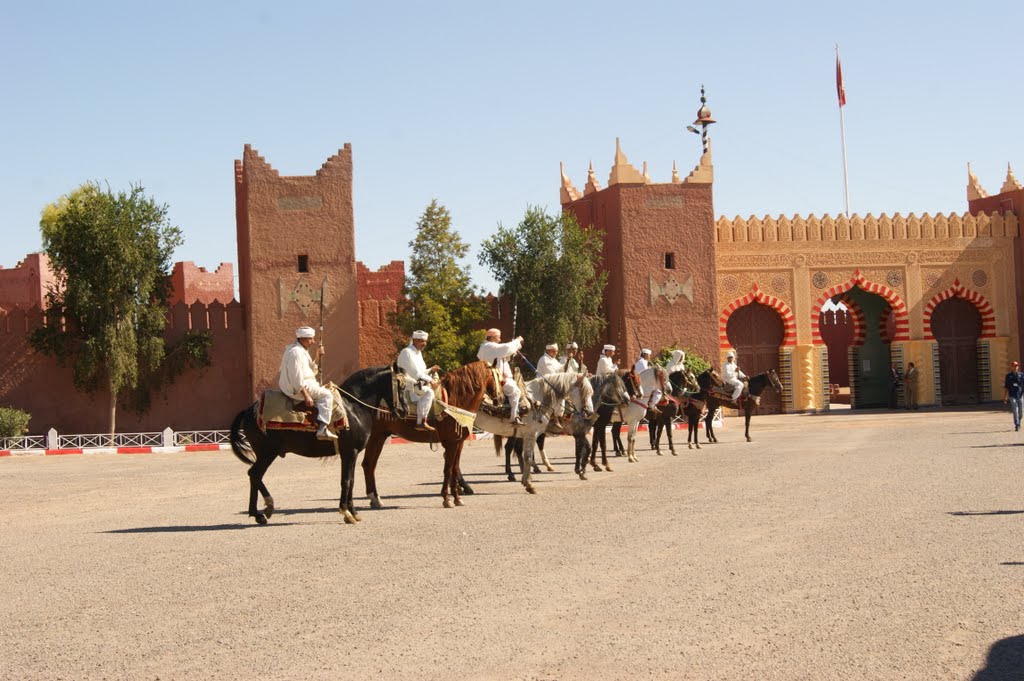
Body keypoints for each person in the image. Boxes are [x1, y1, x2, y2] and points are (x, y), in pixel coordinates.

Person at [279, 326, 337, 440]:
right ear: (302, 338)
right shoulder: (296, 353)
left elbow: (309, 371)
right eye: (310, 339)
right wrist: (306, 395)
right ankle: (323, 429)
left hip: (304, 382)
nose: (313, 341)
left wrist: (317, 356)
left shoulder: (302, 350)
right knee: (327, 395)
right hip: (296, 387)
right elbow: (296, 377)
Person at [478, 328, 525, 426]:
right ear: (492, 338)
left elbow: (502, 354)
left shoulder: (484, 347)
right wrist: (517, 340)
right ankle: (514, 417)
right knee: (516, 392)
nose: (500, 338)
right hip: (497, 378)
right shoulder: (490, 346)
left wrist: (512, 353)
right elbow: (507, 348)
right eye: (498, 337)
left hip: (489, 377)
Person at [397, 330, 441, 432]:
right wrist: (431, 380)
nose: (424, 344)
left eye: (425, 341)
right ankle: (421, 422)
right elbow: (415, 373)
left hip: (416, 382)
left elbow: (421, 372)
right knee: (429, 392)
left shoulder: (418, 353)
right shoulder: (406, 352)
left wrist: (431, 370)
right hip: (406, 383)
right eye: (421, 341)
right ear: (414, 340)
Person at [634, 348, 662, 415]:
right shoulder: (642, 363)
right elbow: (645, 374)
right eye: (649, 355)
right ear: (645, 355)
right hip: (642, 382)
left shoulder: (642, 362)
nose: (650, 357)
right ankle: (652, 405)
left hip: (642, 381)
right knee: (658, 391)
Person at [1002, 360, 1024, 432]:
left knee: (1021, 412)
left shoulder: (1021, 375)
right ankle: (1016, 424)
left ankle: (1019, 422)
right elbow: (1006, 387)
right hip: (1012, 395)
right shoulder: (1008, 376)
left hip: (1020, 395)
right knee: (1015, 410)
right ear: (1011, 367)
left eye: (1016, 366)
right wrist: (1005, 396)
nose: (1015, 367)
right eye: (1014, 366)